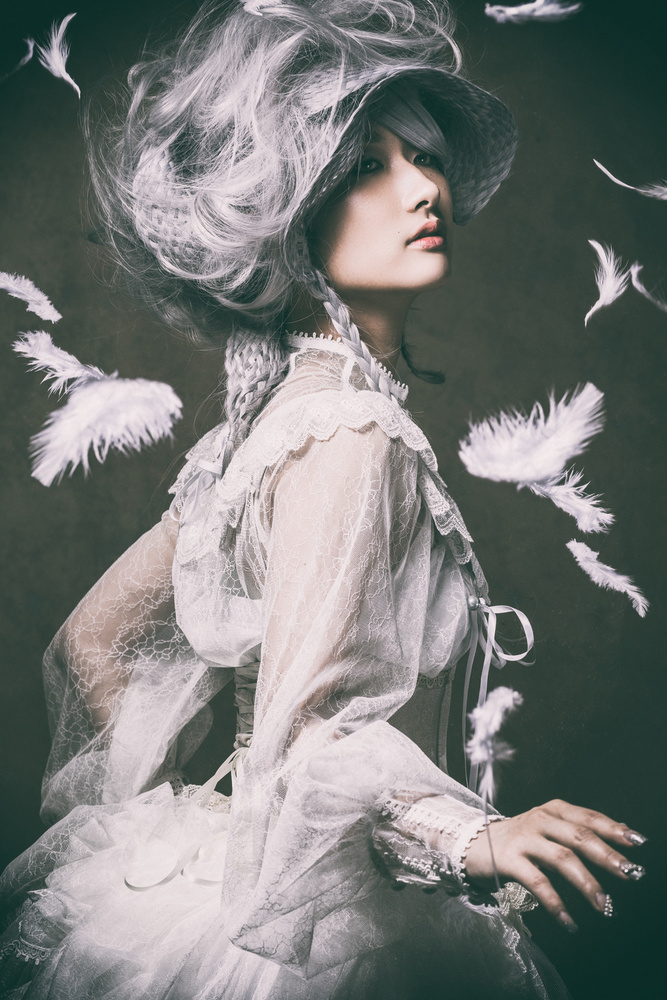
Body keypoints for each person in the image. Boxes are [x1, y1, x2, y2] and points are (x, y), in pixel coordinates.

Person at [0, 2, 647, 997]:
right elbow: (310, 738)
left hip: (232, 906)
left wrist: (187, 835)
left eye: (424, 158)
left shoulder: (268, 421)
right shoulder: (346, 429)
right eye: (366, 168)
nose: (423, 187)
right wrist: (465, 838)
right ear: (286, 215)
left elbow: (96, 642)